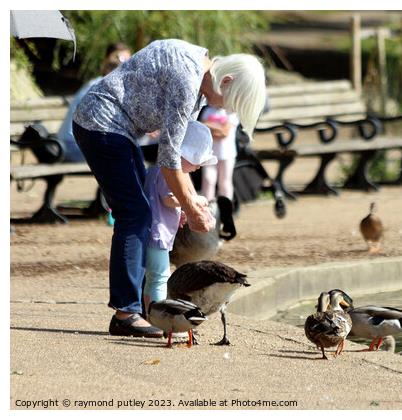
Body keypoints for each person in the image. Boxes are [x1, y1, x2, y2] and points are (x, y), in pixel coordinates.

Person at [72, 39, 267, 337]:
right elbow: (170, 157)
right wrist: (190, 206)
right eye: (228, 101)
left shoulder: (200, 78)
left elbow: (177, 152)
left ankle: (137, 309)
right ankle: (126, 313)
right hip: (101, 123)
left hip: (121, 129)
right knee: (134, 214)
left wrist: (189, 201)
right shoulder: (188, 79)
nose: (223, 109)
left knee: (141, 213)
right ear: (226, 80)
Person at [143, 121, 217, 311]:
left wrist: (182, 212)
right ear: (183, 153)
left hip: (153, 230)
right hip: (157, 234)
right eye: (197, 160)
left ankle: (148, 313)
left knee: (152, 275)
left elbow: (163, 202)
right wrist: (193, 201)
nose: (199, 166)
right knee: (160, 276)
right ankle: (157, 316)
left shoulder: (160, 168)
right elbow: (168, 199)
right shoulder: (168, 171)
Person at [57, 43, 132, 162]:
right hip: (72, 146)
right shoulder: (101, 87)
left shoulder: (103, 84)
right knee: (122, 156)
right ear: (107, 63)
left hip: (76, 143)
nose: (126, 68)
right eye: (121, 63)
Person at [198, 106, 239, 201]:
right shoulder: (208, 110)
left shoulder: (231, 112)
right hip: (209, 153)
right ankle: (207, 208)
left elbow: (224, 132)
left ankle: (226, 209)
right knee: (208, 180)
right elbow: (202, 129)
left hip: (227, 154)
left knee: (224, 182)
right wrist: (218, 127)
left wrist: (209, 126)